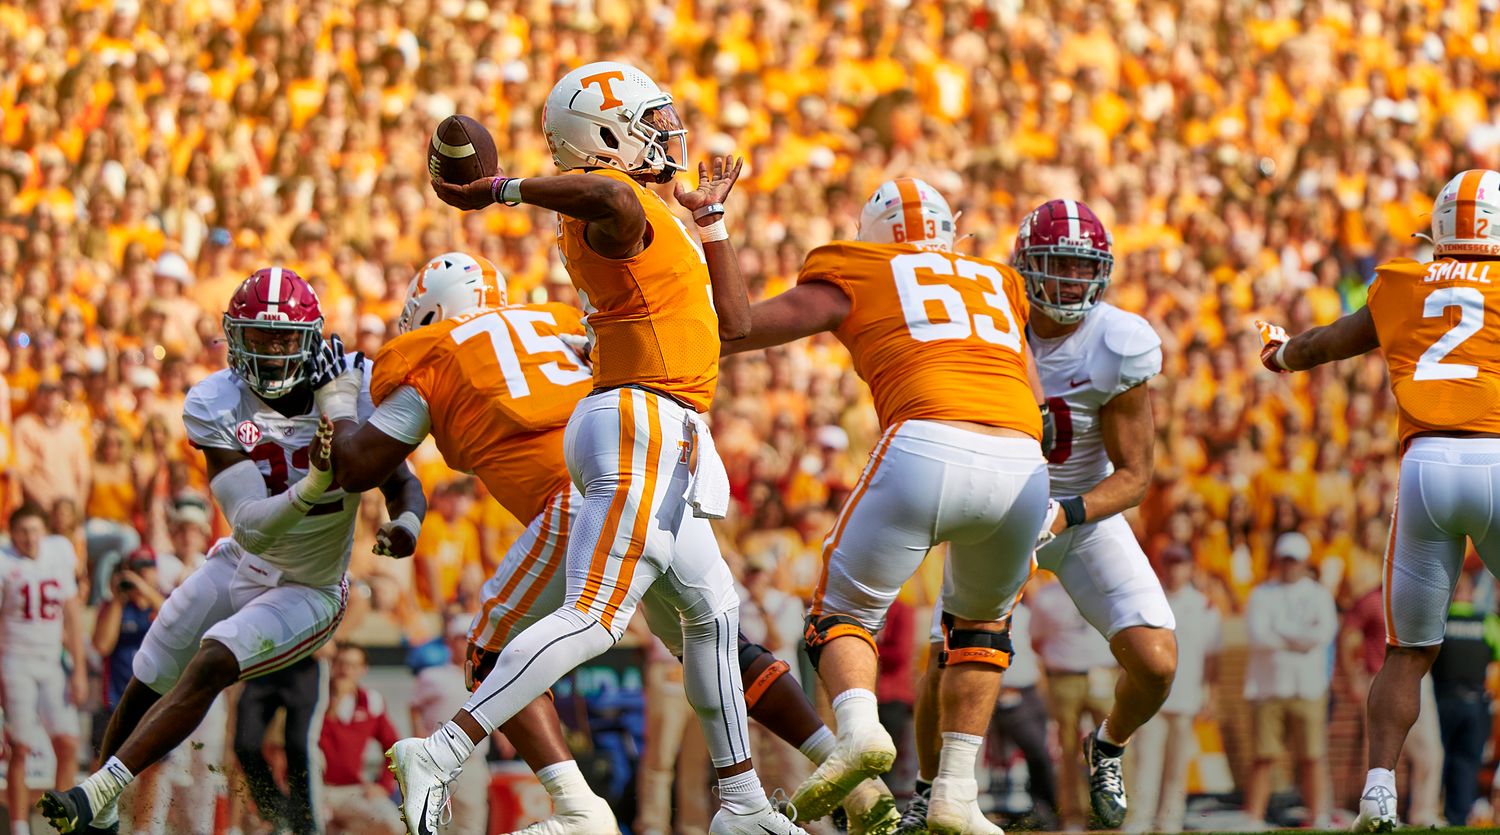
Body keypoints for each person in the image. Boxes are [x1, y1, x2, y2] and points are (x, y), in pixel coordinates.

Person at [325, 248, 885, 834]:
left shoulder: (433, 353)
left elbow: (360, 466)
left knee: (502, 648)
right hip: (654, 465)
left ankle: (563, 802)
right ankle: (817, 775)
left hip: (582, 493)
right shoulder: (554, 321)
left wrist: (339, 406)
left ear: (432, 313)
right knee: (714, 636)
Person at [39, 268, 427, 834]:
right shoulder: (215, 400)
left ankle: (98, 787)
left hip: (310, 589)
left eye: (283, 338)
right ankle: (101, 816)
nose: (271, 352)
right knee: (151, 668)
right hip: (244, 557)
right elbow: (252, 528)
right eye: (258, 336)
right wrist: (316, 484)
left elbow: (400, 481)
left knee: (215, 659)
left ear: (312, 338)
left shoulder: (354, 389)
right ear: (232, 334)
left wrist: (410, 522)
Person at [723, 176, 1050, 833]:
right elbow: (1034, 392)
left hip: (927, 438)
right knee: (979, 628)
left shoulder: (859, 266)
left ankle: (859, 730)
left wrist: (711, 229)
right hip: (1022, 457)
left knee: (839, 615)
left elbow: (740, 327)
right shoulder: (997, 280)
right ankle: (956, 788)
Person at [894, 197, 1175, 830]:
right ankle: (925, 791)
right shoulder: (988, 316)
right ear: (1023, 266)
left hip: (1081, 515)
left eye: (1083, 268)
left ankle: (1106, 746)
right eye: (1057, 266)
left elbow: (1134, 476)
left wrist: (1065, 512)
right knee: (947, 661)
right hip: (996, 511)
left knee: (1157, 663)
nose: (1071, 281)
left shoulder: (1118, 342)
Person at [1255, 168, 1500, 832]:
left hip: (1424, 464)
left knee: (1407, 649)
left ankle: (1378, 792)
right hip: (1497, 452)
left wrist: (1277, 355)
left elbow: (1325, 343)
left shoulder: (1403, 283)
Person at [1, 504, 87, 835]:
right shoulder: (5, 561)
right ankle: (19, 827)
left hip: (52, 662)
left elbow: (72, 613)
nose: (30, 538)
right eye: (23, 532)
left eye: (35, 530)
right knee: (19, 747)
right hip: (15, 662)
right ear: (13, 534)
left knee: (67, 742)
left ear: (44, 531)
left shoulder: (59, 552)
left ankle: (59, 824)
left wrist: (78, 669)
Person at [1242, 532, 1338, 828]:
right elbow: (1258, 636)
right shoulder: (1261, 593)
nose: (1289, 566)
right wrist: (1299, 636)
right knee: (1263, 757)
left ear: (1304, 563)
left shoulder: (1319, 594)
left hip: (1308, 688)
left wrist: (1280, 632)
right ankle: (1254, 817)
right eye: (1285, 560)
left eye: (1294, 560)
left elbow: (1322, 635)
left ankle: (1318, 814)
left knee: (1312, 756)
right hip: (1269, 688)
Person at [1125, 545, 1220, 833]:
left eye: (1180, 564)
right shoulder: (1149, 602)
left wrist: (1209, 696)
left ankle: (1170, 821)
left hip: (1187, 697)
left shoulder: (1204, 606)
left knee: (1177, 767)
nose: (1175, 570)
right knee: (1146, 763)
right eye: (1170, 563)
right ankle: (1140, 819)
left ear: (1190, 567)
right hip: (1152, 698)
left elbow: (1212, 657)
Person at [1026, 577, 1118, 831]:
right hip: (1064, 677)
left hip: (1102, 673)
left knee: (1113, 745)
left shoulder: (1105, 589)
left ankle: (1114, 812)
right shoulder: (1046, 597)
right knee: (1066, 748)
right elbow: (1036, 640)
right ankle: (1073, 814)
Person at [1430, 568, 1500, 826]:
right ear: (1470, 593)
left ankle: (1431, 811)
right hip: (1474, 703)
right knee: (1467, 763)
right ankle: (1457, 818)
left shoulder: (1440, 619)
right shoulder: (1487, 621)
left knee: (1438, 760)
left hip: (1441, 699)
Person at [407, 620, 489, 835]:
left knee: (470, 826)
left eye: (469, 640)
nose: (465, 645)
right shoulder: (431, 676)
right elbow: (414, 707)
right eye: (460, 639)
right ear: (448, 642)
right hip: (436, 763)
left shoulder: (486, 677)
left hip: (471, 762)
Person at [234, 654, 325, 835]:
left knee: (298, 746)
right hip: (266, 664)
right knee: (244, 744)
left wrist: (331, 637)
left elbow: (347, 625)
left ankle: (304, 823)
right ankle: (275, 808)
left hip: (303, 665)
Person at [319, 644, 404, 835]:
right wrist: (335, 703)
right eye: (340, 664)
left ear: (363, 670)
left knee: (393, 824)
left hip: (352, 790)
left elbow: (394, 747)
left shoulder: (371, 702)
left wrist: (383, 785)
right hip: (316, 788)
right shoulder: (315, 699)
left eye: (352, 665)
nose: (345, 671)